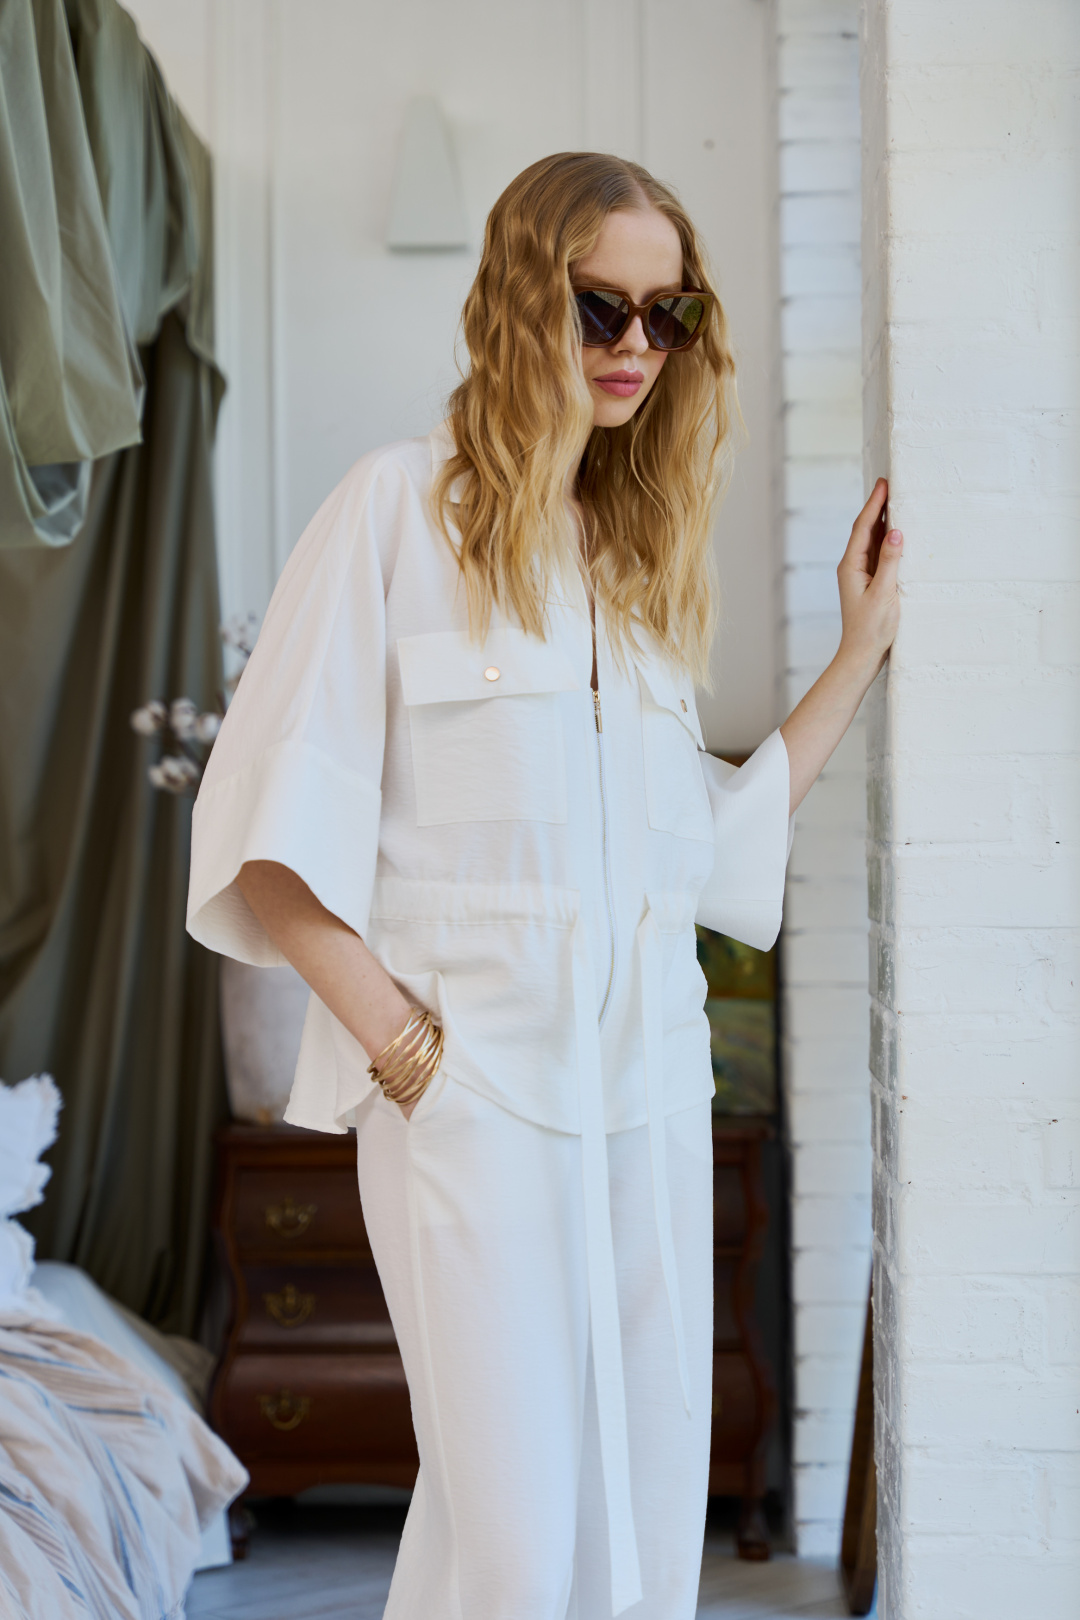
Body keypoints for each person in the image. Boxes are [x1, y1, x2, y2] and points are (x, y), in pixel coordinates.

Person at [187, 152, 901, 1620]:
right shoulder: (393, 512)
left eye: (669, 313)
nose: (638, 344)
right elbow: (268, 837)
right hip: (479, 1108)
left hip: (652, 1100)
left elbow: (705, 848)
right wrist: (410, 1058)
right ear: (522, 301)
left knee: (645, 1531)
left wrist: (859, 653)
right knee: (511, 1540)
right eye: (599, 307)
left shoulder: (631, 566)